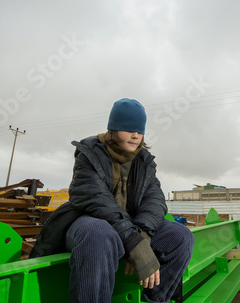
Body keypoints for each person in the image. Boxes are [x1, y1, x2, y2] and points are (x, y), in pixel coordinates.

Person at [30, 98, 195, 303]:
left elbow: (155, 200)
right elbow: (96, 200)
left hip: (128, 227)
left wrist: (142, 237)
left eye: (139, 130)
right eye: (128, 129)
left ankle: (149, 300)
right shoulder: (89, 154)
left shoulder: (144, 161)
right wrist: (134, 242)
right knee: (99, 233)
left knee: (180, 236)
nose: (135, 135)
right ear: (113, 130)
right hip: (87, 223)